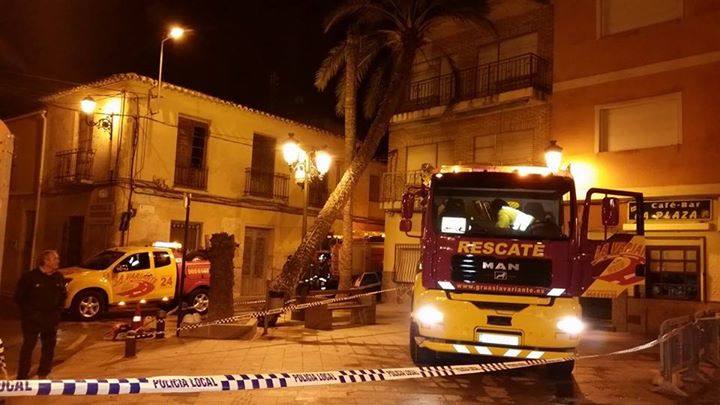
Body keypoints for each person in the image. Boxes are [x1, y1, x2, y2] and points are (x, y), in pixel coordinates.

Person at [14, 250, 66, 379]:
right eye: (55, 259)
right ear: (46, 261)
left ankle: (44, 372)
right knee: (28, 346)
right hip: (33, 320)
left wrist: (57, 312)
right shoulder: (30, 277)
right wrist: (29, 314)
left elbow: (63, 295)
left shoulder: (58, 277)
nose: (57, 261)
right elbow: (19, 298)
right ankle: (22, 375)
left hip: (50, 319)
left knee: (49, 346)